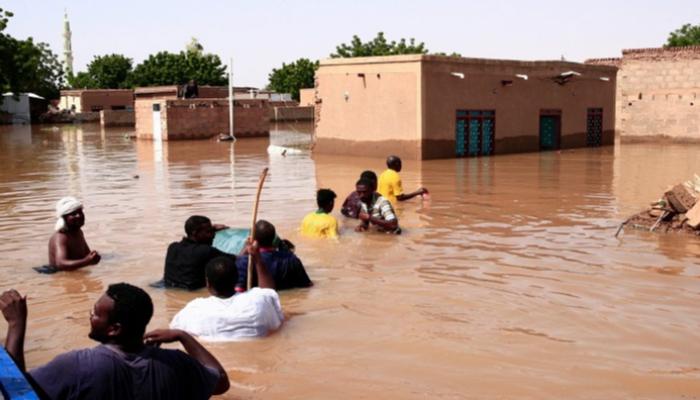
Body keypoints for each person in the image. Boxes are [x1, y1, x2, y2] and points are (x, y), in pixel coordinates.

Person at [0, 283, 230, 399]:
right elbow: (220, 382)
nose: (90, 316)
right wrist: (183, 335)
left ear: (114, 329)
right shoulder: (176, 364)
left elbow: (16, 394)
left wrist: (15, 326)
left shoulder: (77, 366)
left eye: (96, 313)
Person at [170, 243, 284, 340]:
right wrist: (257, 259)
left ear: (207, 283)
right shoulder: (258, 301)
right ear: (236, 279)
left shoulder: (194, 309)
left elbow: (174, 329)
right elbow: (269, 293)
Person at [235, 220, 312, 291]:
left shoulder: (246, 262)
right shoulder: (291, 259)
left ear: (254, 239)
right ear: (274, 238)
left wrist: (243, 253)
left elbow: (238, 290)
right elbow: (307, 285)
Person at [163, 216, 231, 290]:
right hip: (192, 291)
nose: (213, 235)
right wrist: (245, 247)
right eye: (208, 232)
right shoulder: (205, 251)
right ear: (194, 233)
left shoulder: (172, 247)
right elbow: (236, 260)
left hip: (167, 287)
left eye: (211, 231)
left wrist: (212, 229)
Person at [47, 196, 101, 271]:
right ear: (64, 218)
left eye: (80, 212)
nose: (79, 216)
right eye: (73, 214)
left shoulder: (78, 232)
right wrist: (87, 261)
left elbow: (87, 255)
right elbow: (60, 264)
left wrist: (93, 257)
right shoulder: (60, 237)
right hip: (60, 276)